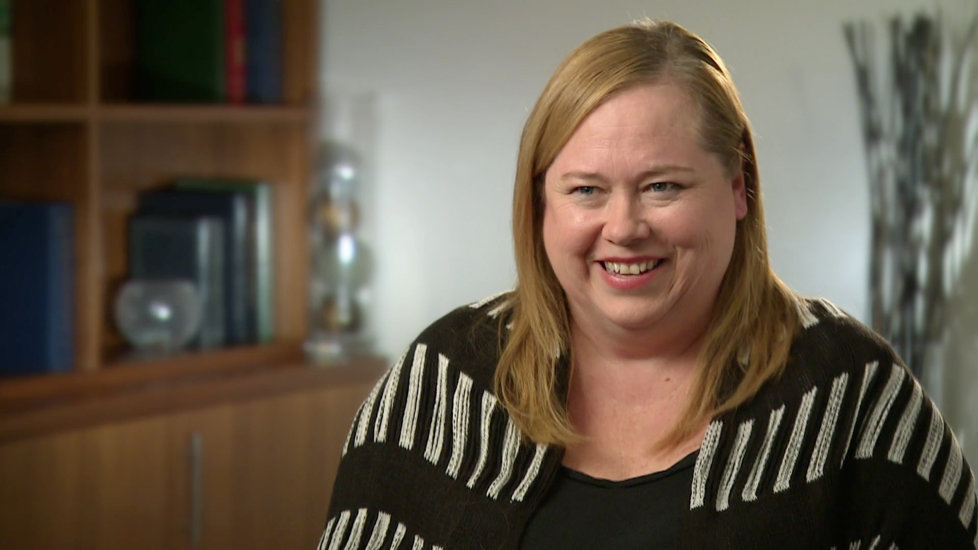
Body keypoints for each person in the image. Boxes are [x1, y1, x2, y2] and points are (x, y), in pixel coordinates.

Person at [318, 19, 978, 549]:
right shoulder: (443, 379)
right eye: (586, 190)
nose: (624, 228)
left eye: (662, 186)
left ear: (738, 187)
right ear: (541, 205)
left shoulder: (852, 390)